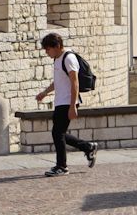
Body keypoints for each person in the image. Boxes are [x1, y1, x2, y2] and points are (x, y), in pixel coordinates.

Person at [35, 32, 97, 177]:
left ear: (56, 46)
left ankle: (62, 166)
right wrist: (44, 93)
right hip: (60, 102)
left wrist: (73, 105)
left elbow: (75, 83)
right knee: (59, 133)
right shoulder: (57, 59)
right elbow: (58, 81)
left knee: (57, 133)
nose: (46, 52)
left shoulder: (69, 58)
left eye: (48, 49)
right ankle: (88, 147)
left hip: (68, 102)